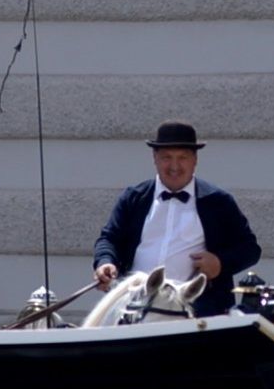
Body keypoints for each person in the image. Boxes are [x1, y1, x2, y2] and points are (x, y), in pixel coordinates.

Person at [90, 122, 259, 295]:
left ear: (195, 160)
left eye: (182, 158)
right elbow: (109, 239)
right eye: (167, 157)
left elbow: (249, 249)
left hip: (194, 311)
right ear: (154, 158)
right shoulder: (133, 198)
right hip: (135, 304)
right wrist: (105, 262)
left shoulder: (218, 202)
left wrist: (220, 263)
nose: (174, 166)